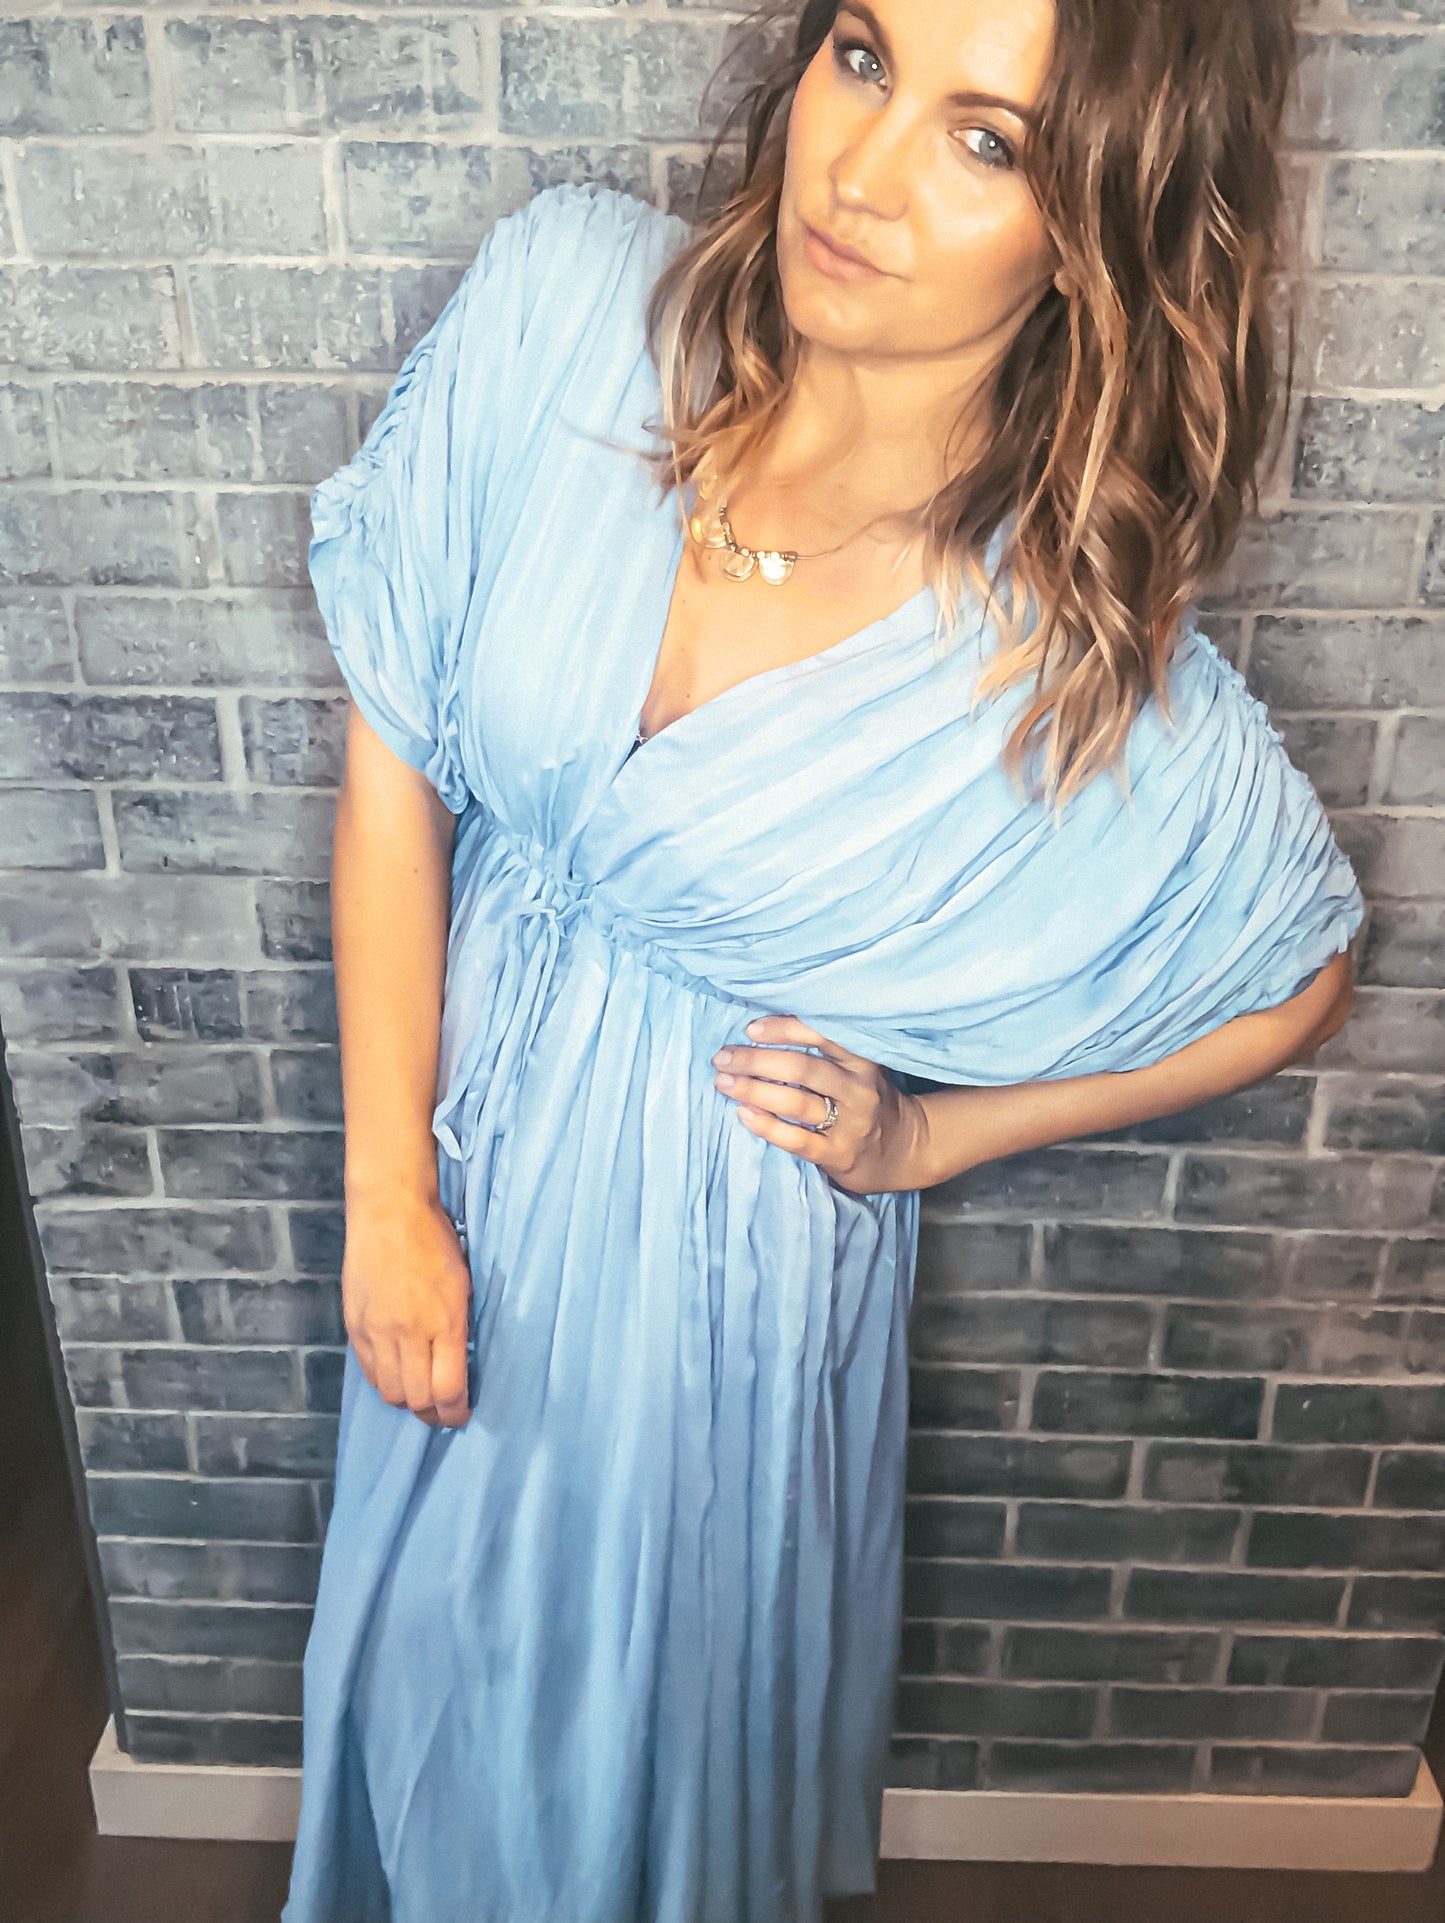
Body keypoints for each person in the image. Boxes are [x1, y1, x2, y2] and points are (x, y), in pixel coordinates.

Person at [281, 0, 1362, 1917]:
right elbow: (393, 763)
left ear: (1092, 229)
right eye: (862, 57)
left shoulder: (1055, 658)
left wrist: (929, 1140)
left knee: (627, 1770)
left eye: (985, 140)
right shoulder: (567, 310)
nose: (859, 172)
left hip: (711, 1288)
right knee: (422, 1709)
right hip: (447, 1161)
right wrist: (386, 1199)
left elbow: (1297, 973)